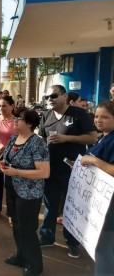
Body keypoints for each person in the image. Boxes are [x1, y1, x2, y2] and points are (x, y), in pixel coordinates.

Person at [38, 84, 98, 258]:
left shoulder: (78, 114)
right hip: (51, 169)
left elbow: (93, 137)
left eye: (54, 95)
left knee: (71, 207)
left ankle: (72, 242)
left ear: (64, 96)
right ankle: (47, 236)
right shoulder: (47, 116)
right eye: (48, 96)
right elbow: (42, 138)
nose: (50, 99)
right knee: (50, 205)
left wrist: (66, 138)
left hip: (74, 170)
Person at [0, 109, 50, 276]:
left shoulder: (37, 143)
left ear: (29, 124)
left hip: (29, 194)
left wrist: (17, 172)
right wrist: (2, 164)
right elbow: (6, 159)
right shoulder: (14, 138)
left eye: (19, 118)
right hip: (12, 189)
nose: (15, 120)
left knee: (27, 230)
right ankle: (21, 256)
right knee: (16, 225)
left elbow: (44, 172)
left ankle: (36, 265)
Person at [80, 100, 114, 274]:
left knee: (105, 250)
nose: (99, 120)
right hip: (99, 204)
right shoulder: (104, 137)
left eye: (105, 117)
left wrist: (93, 160)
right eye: (96, 116)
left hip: (109, 208)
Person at [0, 96, 17, 220]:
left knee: (10, 186)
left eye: (4, 105)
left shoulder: (17, 122)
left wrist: (8, 147)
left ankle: (11, 214)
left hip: (13, 158)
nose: (1, 108)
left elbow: (23, 140)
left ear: (12, 107)